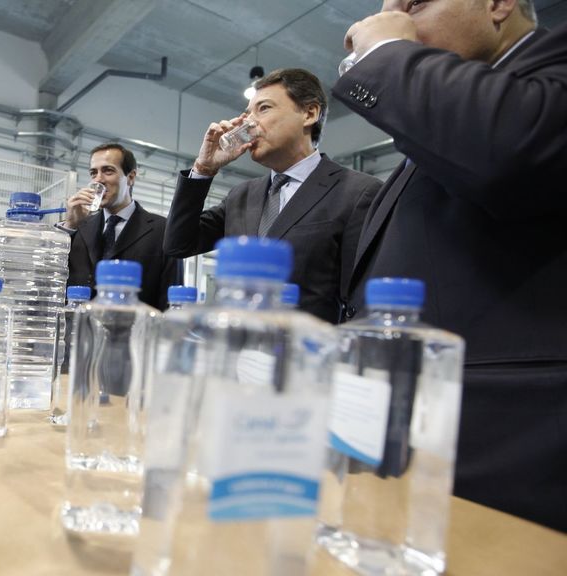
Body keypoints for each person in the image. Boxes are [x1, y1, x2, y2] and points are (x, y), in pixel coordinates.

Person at [335, 0, 567, 531]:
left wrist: (389, 50)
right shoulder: (444, 124)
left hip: (512, 448)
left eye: (413, 4)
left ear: (498, 4)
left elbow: (511, 150)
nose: (390, 16)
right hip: (413, 439)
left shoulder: (544, 72)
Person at [163, 68, 382, 324]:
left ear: (309, 113)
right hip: (236, 350)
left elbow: (360, 300)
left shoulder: (358, 192)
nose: (249, 124)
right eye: (247, 114)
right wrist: (203, 169)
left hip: (305, 355)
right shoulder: (241, 196)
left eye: (263, 109)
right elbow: (178, 244)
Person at [63, 143, 181, 310]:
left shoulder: (163, 230)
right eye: (93, 173)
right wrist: (69, 225)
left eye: (108, 171)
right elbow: (52, 278)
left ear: (131, 177)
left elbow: (170, 301)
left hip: (136, 332)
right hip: (81, 332)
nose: (98, 180)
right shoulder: (79, 227)